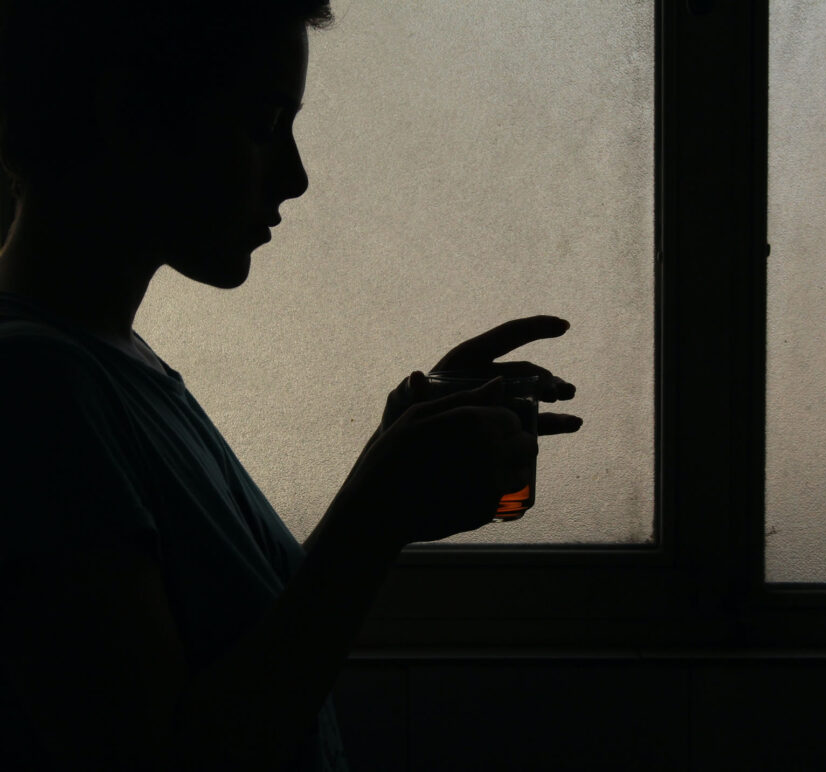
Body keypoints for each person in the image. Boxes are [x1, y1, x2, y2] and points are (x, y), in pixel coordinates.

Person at [0, 1, 582, 769]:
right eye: (263, 124)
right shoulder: (36, 388)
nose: (296, 178)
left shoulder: (112, 366)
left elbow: (242, 649)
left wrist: (390, 462)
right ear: (129, 116)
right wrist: (375, 518)